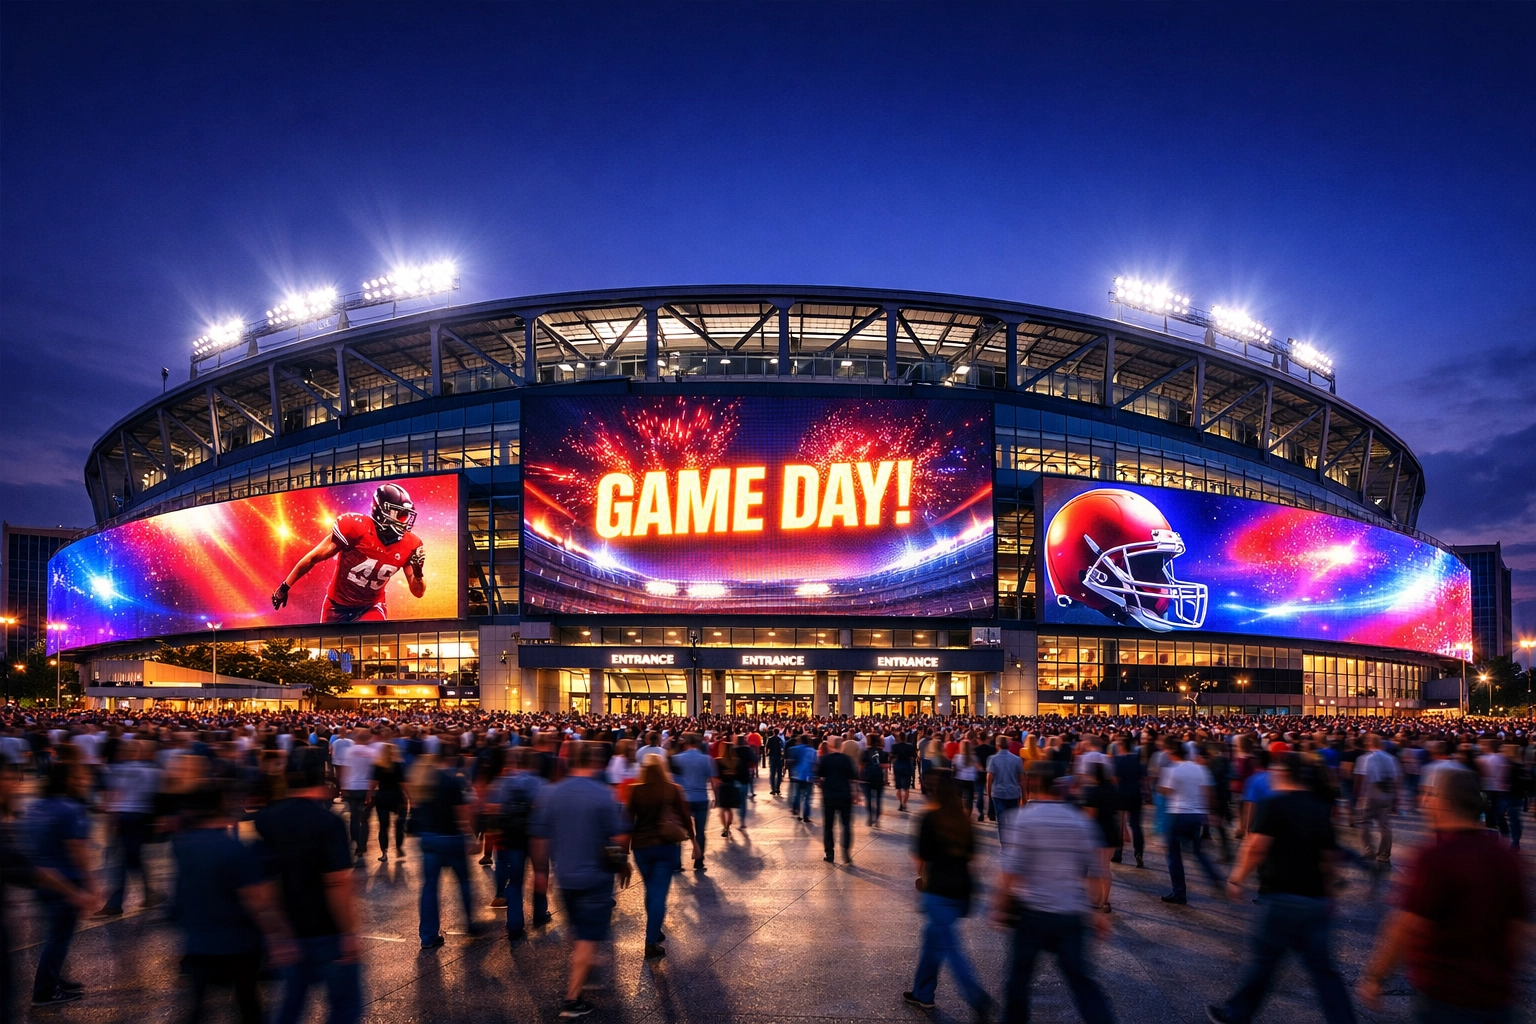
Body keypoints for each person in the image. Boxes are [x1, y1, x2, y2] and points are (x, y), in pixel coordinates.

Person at [1357, 766, 1529, 1023]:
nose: (1425, 802)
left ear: (1445, 803)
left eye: (1430, 795)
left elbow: (1407, 925)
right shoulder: (1507, 858)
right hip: (1496, 999)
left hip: (1444, 997)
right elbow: (1518, 930)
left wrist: (1376, 976)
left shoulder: (1435, 858)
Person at [1206, 753, 1355, 1024]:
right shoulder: (1319, 806)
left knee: (1263, 962)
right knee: (1324, 971)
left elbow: (1256, 847)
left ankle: (1235, 1014)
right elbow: (1329, 857)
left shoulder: (1275, 805)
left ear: (1283, 773)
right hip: (1315, 899)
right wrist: (1330, 895)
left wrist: (1236, 879)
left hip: (1282, 897)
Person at [992, 761, 1115, 1024]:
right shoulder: (1080, 821)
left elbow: (1011, 870)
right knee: (1081, 980)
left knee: (1018, 980)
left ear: (1031, 784)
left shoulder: (1023, 818)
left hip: (1033, 913)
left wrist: (1000, 905)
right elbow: (1096, 871)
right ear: (1060, 788)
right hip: (1070, 913)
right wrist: (1096, 912)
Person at [254, 748, 362, 1024]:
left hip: (289, 931)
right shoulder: (328, 822)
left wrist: (275, 933)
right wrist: (348, 933)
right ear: (324, 777)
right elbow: (337, 883)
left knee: (291, 1005)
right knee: (346, 1008)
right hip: (326, 932)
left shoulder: (267, 818)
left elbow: (263, 885)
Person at [172, 784, 292, 1024]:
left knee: (197, 1006)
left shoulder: (182, 843)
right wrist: (279, 937)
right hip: (236, 943)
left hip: (197, 940)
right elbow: (256, 901)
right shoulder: (233, 849)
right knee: (248, 1003)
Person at [529, 742, 632, 1020]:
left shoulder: (550, 793)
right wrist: (622, 864)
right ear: (597, 763)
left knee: (579, 929)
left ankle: (586, 962)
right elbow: (619, 837)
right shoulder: (603, 795)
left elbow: (540, 838)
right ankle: (572, 998)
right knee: (587, 935)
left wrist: (540, 872)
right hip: (595, 876)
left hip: (566, 875)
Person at [270, 481, 428, 623]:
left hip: (371, 606)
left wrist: (418, 573)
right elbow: (313, 558)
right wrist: (284, 587)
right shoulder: (355, 528)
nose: (404, 521)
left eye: (405, 516)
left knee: (369, 641)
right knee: (330, 652)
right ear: (381, 512)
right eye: (399, 515)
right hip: (336, 605)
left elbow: (418, 592)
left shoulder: (411, 544)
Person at [904, 771, 992, 1019]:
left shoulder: (929, 818)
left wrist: (921, 879)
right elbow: (972, 855)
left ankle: (974, 994)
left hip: (938, 889)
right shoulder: (964, 819)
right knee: (934, 940)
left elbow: (920, 858)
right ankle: (922, 993)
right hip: (961, 890)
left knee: (949, 946)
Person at [22, 762, 96, 1008]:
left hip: (42, 878)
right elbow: (77, 849)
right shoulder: (70, 809)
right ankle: (45, 990)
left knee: (54, 934)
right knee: (58, 937)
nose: (85, 780)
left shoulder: (35, 806)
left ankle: (55, 978)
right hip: (66, 879)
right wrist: (90, 884)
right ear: (69, 781)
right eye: (80, 775)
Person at [408, 742, 478, 949]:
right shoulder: (453, 780)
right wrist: (470, 836)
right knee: (464, 882)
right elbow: (461, 812)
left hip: (428, 837)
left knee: (430, 887)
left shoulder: (422, 778)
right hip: (451, 837)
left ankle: (428, 936)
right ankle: (470, 922)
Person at [627, 754, 695, 958]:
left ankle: (654, 929)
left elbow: (626, 822)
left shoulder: (635, 790)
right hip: (666, 848)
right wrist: (695, 842)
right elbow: (685, 817)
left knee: (650, 889)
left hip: (641, 847)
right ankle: (650, 940)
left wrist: (622, 854)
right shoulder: (673, 789)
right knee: (658, 894)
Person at [486, 747, 548, 941]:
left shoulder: (504, 783)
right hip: (537, 837)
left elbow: (492, 809)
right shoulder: (542, 784)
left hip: (513, 839)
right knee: (540, 874)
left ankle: (514, 924)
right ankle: (539, 914)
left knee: (514, 881)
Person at [98, 738, 162, 916]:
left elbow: (109, 796)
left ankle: (115, 903)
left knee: (123, 860)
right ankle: (148, 893)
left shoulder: (116, 769)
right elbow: (155, 795)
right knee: (131, 858)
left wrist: (111, 816)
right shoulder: (151, 770)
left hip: (125, 816)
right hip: (139, 816)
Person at [1158, 737, 1222, 904]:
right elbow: (1208, 792)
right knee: (1197, 851)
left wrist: (1159, 785)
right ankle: (1215, 878)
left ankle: (1179, 892)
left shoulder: (1171, 770)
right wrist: (1209, 813)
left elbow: (1166, 791)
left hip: (1178, 814)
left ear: (1171, 752)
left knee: (1174, 855)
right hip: (1197, 815)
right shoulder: (1199, 768)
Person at [1354, 734, 1399, 870]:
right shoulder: (1391, 759)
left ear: (1368, 744)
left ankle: (1368, 850)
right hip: (1386, 791)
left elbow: (1361, 778)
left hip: (1370, 792)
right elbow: (1396, 779)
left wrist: (1357, 794)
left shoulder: (1365, 758)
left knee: (1363, 822)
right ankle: (1384, 855)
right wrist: (1397, 797)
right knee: (1384, 825)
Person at [673, 734, 717, 871]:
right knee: (700, 832)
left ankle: (676, 863)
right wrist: (716, 797)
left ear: (685, 744)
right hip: (701, 798)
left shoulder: (676, 759)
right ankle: (699, 861)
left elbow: (672, 781)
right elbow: (714, 781)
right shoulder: (707, 759)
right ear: (698, 744)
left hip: (682, 799)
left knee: (678, 831)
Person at [817, 737, 858, 865]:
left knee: (828, 826)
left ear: (830, 746)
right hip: (844, 795)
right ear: (841, 746)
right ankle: (846, 852)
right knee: (846, 825)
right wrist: (855, 793)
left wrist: (823, 787)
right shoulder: (847, 760)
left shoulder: (825, 759)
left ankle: (829, 853)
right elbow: (853, 779)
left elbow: (819, 777)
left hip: (829, 795)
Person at [1110, 737, 1144, 868]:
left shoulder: (1119, 760)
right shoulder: (1137, 761)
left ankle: (1118, 853)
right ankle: (1139, 851)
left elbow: (1115, 779)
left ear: (1122, 746)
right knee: (1136, 825)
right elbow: (1144, 779)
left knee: (1119, 824)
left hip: (1122, 794)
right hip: (1136, 793)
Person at [371, 740, 407, 862]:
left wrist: (369, 796)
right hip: (396, 796)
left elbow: (373, 783)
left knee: (383, 826)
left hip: (382, 796)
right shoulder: (397, 765)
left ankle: (384, 853)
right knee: (399, 824)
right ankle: (398, 846)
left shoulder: (377, 766)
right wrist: (410, 797)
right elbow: (403, 783)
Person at [987, 738, 1024, 841]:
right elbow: (1022, 779)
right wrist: (1024, 796)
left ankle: (1004, 843)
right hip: (1013, 792)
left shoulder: (993, 759)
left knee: (1001, 820)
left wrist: (989, 794)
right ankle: (1012, 841)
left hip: (998, 793)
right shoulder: (1017, 759)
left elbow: (989, 778)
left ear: (997, 745)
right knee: (1013, 819)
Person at [788, 733, 818, 822]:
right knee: (808, 797)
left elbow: (790, 759)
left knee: (797, 794)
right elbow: (815, 764)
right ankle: (806, 816)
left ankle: (796, 808)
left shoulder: (796, 749)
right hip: (809, 776)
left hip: (798, 775)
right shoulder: (812, 750)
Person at [861, 739, 887, 827]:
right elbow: (886, 766)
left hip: (867, 778)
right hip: (879, 778)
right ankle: (877, 819)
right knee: (878, 799)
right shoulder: (882, 753)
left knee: (868, 799)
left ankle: (870, 816)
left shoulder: (865, 752)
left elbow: (861, 765)